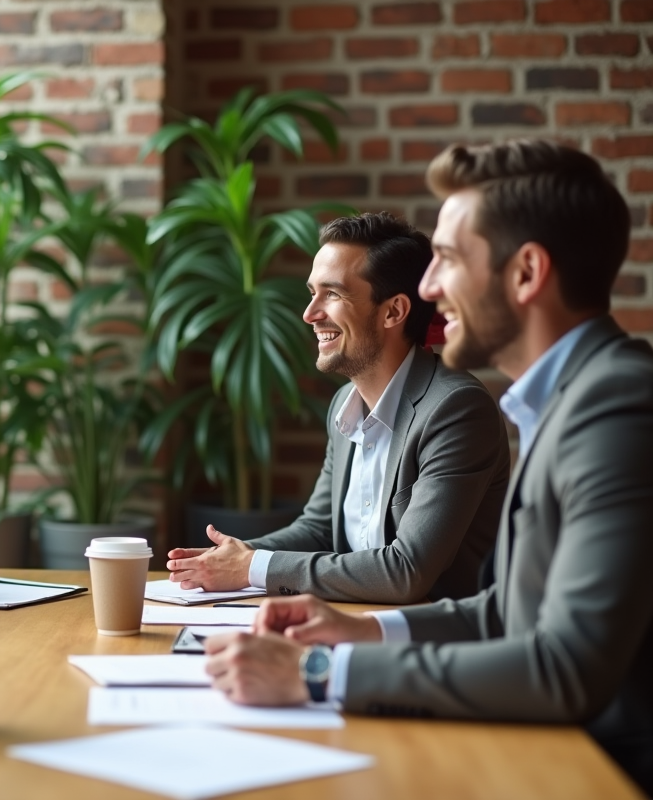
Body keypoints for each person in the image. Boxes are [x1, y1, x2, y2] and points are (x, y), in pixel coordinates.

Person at [203, 140, 653, 794]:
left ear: (526, 273)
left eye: (446, 260)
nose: (430, 288)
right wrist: (359, 630)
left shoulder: (615, 406)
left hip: (597, 770)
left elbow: (564, 668)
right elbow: (504, 614)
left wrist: (321, 674)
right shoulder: (562, 401)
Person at [167, 212, 510, 603]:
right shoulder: (343, 407)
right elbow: (319, 529)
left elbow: (406, 571)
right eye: (312, 292)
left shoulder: (456, 409)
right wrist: (228, 558)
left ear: (393, 312)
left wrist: (251, 567)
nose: (310, 314)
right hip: (348, 625)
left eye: (332, 294)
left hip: (431, 647)